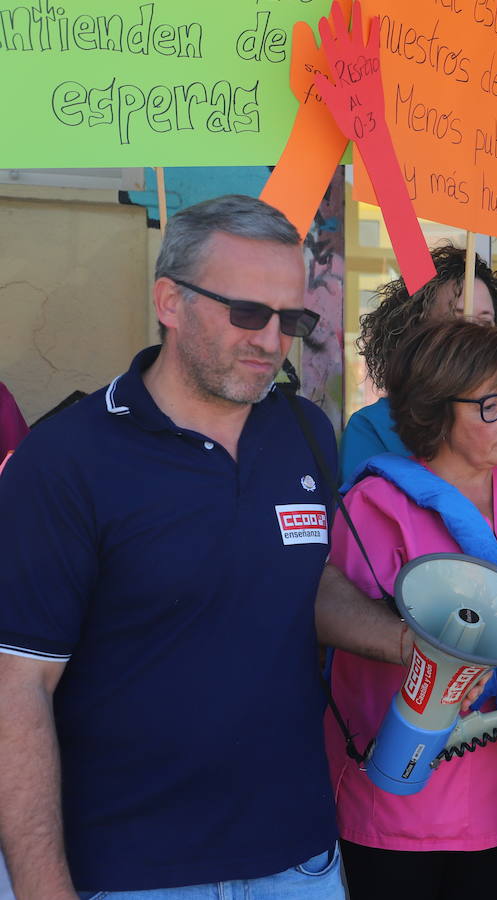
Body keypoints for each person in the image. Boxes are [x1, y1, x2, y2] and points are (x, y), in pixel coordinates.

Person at [0, 195, 439, 897]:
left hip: (297, 859)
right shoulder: (66, 459)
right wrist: (42, 887)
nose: (272, 340)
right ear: (169, 301)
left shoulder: (301, 429)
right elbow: (18, 687)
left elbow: (299, 575)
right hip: (131, 869)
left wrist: (403, 643)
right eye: (246, 313)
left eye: (291, 319)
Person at [326, 319, 497, 900]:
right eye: (490, 405)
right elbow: (333, 619)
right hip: (400, 793)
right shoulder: (377, 504)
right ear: (433, 409)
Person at [340, 244, 497, 535]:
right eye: (455, 320)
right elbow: (365, 547)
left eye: (484, 323)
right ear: (413, 333)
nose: (472, 336)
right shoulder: (373, 428)